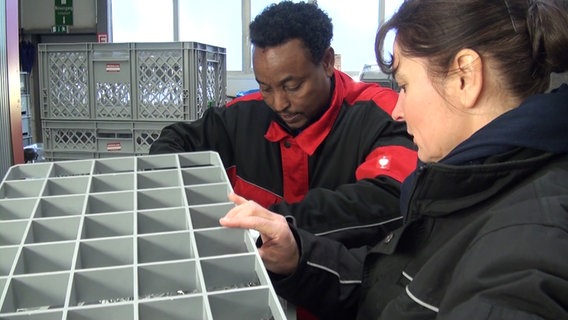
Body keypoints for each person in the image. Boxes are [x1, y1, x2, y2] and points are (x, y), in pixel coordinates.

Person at [219, 0, 568, 319]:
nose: (398, 111)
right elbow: (392, 285)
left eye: (404, 85)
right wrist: (299, 257)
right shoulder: (467, 186)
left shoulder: (529, 248)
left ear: (465, 77)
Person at [150, 1, 417, 249]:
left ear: (326, 62)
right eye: (265, 87)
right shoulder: (241, 117)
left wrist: (273, 222)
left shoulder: (382, 113)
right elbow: (173, 141)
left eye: (293, 86)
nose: (279, 103)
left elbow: (389, 196)